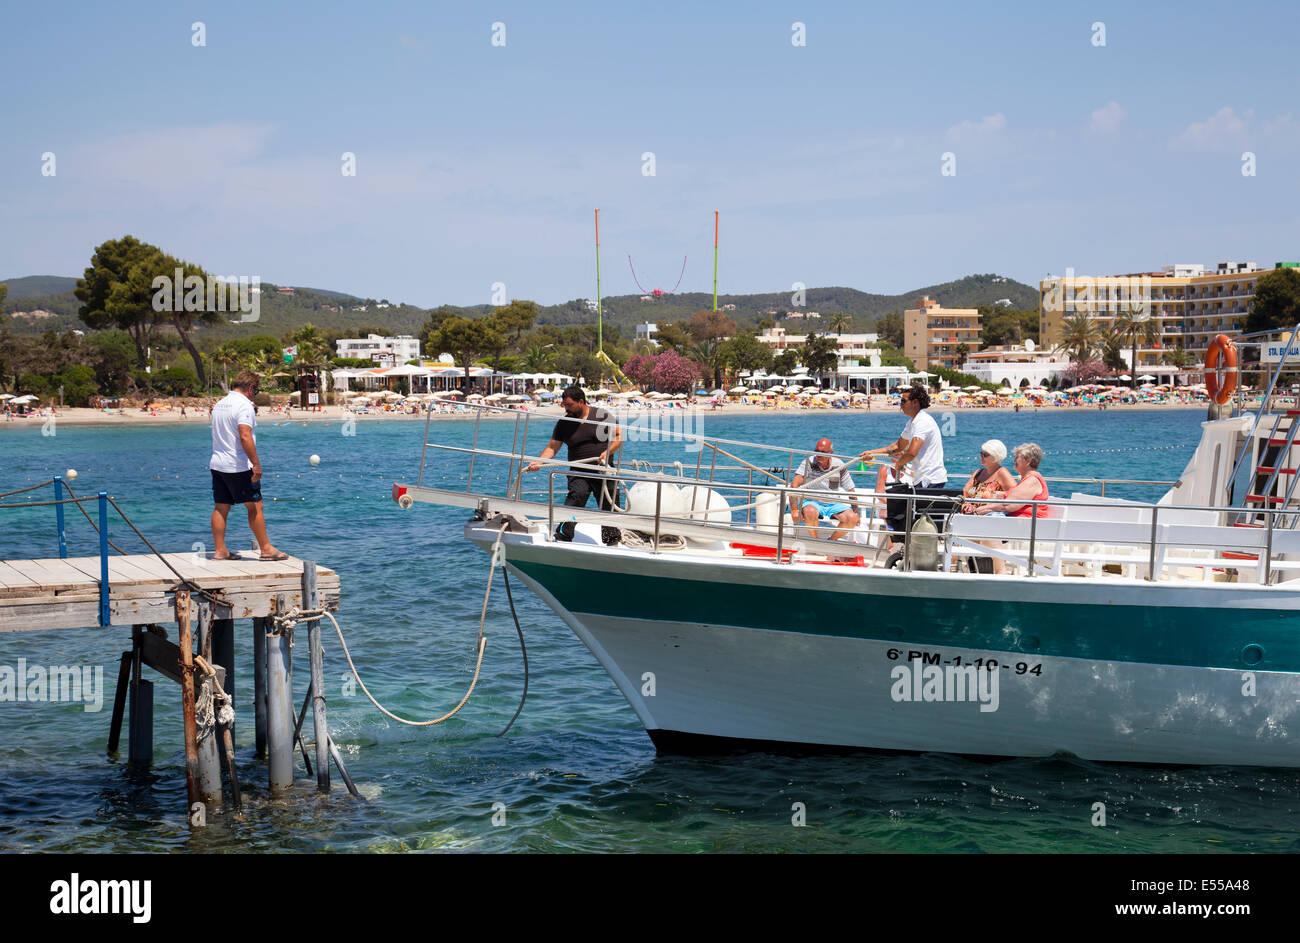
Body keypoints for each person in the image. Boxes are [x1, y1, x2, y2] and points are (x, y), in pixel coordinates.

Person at [526, 385, 623, 543]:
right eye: (564, 405)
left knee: (609, 502)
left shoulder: (602, 416)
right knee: (576, 497)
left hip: (603, 469)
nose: (566, 409)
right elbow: (552, 447)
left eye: (569, 405)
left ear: (581, 402)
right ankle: (564, 534)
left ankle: (611, 539)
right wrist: (538, 462)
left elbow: (618, 436)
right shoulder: (564, 423)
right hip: (579, 470)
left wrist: (608, 452)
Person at [209, 370, 286, 561]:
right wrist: (257, 464)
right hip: (238, 465)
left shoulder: (220, 404)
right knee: (255, 506)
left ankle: (220, 550)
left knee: (221, 507)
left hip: (218, 463)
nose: (255, 395)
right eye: (256, 391)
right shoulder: (244, 406)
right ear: (250, 388)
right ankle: (266, 549)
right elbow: (244, 435)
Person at [858, 384, 949, 541]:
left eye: (903, 401)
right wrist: (871, 453)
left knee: (915, 521)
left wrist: (899, 464)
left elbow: (912, 452)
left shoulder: (923, 421)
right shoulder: (912, 423)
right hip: (922, 480)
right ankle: (906, 551)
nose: (900, 404)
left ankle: (914, 554)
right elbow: (898, 446)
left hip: (931, 480)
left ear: (915, 403)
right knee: (905, 518)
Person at [789, 438, 860, 542]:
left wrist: (856, 513)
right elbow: (794, 484)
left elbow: (850, 489)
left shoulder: (838, 464)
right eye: (817, 451)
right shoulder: (809, 462)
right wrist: (794, 510)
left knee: (852, 518)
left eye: (823, 452)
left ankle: (831, 540)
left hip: (833, 503)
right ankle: (816, 542)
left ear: (831, 453)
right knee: (810, 511)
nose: (819, 455)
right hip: (812, 502)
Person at [961, 439, 1016, 574]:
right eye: (981, 453)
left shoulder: (1002, 473)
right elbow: (965, 491)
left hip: (988, 517)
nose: (981, 457)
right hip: (969, 516)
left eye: (985, 455)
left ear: (995, 457)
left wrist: (998, 495)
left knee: (982, 531)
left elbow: (1015, 494)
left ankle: (998, 571)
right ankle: (970, 567)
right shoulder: (979, 473)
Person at [970, 443, 1049, 518]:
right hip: (1015, 522)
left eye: (1017, 457)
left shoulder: (1032, 481)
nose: (1014, 460)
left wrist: (978, 511)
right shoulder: (1027, 480)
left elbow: (1007, 505)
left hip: (1024, 524)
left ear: (1028, 461)